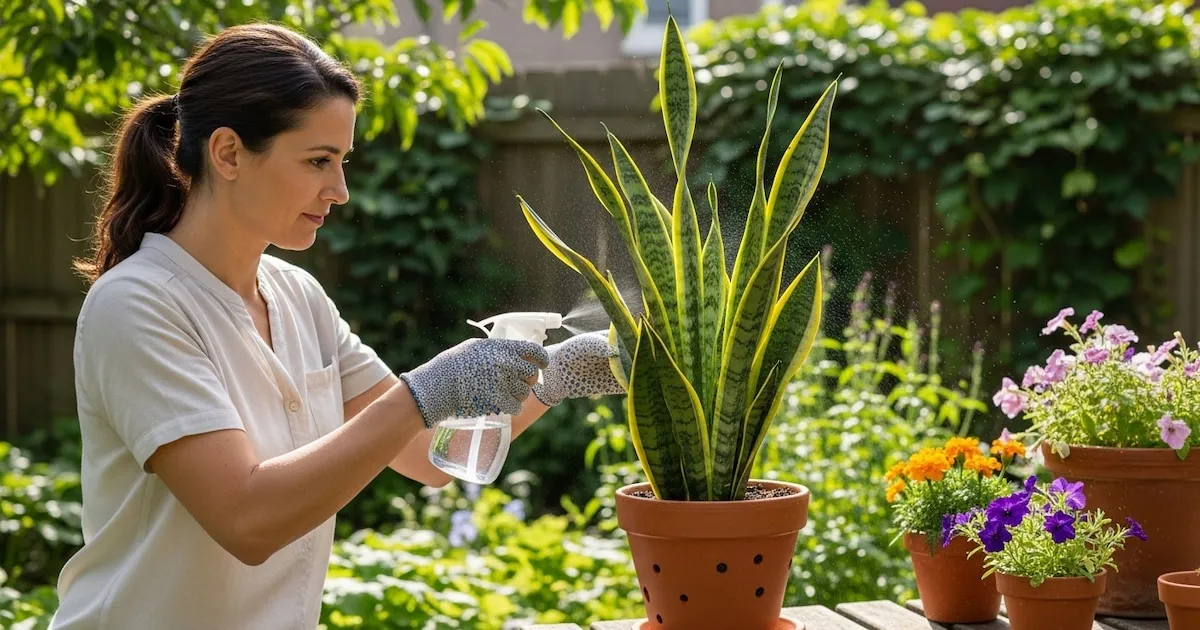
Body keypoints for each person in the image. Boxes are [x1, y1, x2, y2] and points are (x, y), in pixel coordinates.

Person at [50, 22, 625, 629]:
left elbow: (432, 455)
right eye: (318, 160)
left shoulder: (298, 296)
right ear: (228, 153)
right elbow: (246, 520)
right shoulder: (137, 305)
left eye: (343, 161)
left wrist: (554, 377)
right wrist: (421, 393)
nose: (341, 190)